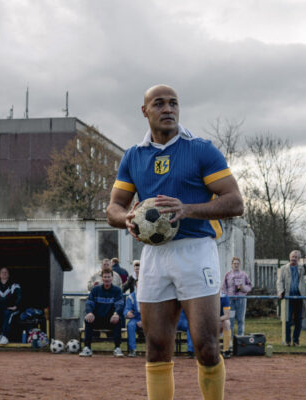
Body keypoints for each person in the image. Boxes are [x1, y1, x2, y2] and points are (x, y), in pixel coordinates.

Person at [106, 84, 243, 400]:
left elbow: (235, 202)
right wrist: (126, 217)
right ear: (145, 111)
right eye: (159, 103)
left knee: (207, 346)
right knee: (155, 348)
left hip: (196, 252)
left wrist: (187, 209)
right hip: (154, 256)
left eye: (173, 103)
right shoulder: (134, 157)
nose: (168, 109)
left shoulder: (200, 149)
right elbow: (113, 207)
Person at [80, 268, 125, 357]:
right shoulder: (95, 290)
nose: (107, 279)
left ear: (112, 278)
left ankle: (117, 348)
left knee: (118, 320)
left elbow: (119, 304)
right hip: (97, 319)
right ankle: (87, 348)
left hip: (110, 320)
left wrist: (116, 314)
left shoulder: (117, 291)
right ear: (102, 278)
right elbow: (89, 303)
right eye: (105, 277)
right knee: (88, 319)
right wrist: (89, 312)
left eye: (109, 277)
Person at [276, 250, 306, 346]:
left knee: (298, 320)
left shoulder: (301, 268)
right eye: (292, 256)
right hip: (288, 297)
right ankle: (287, 341)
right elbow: (279, 282)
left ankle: (296, 341)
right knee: (287, 320)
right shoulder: (283, 268)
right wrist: (280, 292)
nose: (294, 259)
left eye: (296, 257)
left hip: (299, 297)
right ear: (289, 257)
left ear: (299, 259)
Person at [221, 257, 252, 336]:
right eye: (234, 263)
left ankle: (240, 338)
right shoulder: (227, 275)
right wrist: (226, 297)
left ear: (240, 264)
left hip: (241, 300)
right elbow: (223, 288)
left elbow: (250, 286)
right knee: (230, 320)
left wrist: (243, 288)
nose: (236, 265)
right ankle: (230, 339)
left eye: (237, 263)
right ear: (231, 265)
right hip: (230, 301)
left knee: (240, 320)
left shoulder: (244, 275)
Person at [125, 279, 142, 357]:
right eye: (138, 284)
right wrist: (127, 313)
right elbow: (127, 308)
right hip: (135, 318)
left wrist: (144, 321)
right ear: (135, 286)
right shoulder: (131, 296)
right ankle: (132, 350)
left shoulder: (150, 296)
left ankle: (155, 350)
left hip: (149, 319)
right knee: (130, 325)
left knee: (156, 326)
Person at [219, 293, 232, 359]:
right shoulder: (206, 296)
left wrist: (216, 319)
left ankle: (226, 350)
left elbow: (227, 315)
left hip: (218, 321)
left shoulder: (224, 297)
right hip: (209, 322)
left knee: (226, 323)